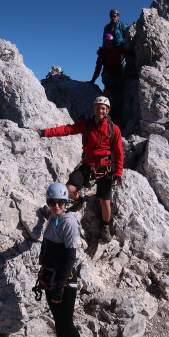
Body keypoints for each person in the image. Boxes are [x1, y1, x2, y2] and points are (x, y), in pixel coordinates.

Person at [34, 96, 124, 243]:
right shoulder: (86, 125)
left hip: (104, 167)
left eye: (103, 108)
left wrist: (118, 173)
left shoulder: (114, 129)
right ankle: (79, 200)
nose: (100, 110)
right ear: (94, 109)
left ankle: (105, 226)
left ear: (107, 110)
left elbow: (119, 153)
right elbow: (67, 129)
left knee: (104, 200)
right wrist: (44, 132)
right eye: (97, 107)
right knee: (68, 190)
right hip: (87, 165)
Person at [38, 182, 87, 337]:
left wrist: (59, 286)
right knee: (57, 320)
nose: (56, 206)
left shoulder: (68, 222)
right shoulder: (54, 217)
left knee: (66, 323)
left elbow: (69, 258)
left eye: (60, 202)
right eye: (52, 202)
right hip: (51, 276)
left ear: (67, 203)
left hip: (64, 280)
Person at [90, 33, 132, 127]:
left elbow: (128, 53)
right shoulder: (102, 54)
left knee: (120, 94)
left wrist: (136, 54)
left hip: (118, 75)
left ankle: (117, 115)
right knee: (111, 92)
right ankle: (111, 116)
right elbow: (98, 68)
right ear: (105, 43)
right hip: (108, 77)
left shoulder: (117, 49)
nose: (110, 45)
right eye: (108, 43)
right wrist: (93, 79)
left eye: (111, 43)